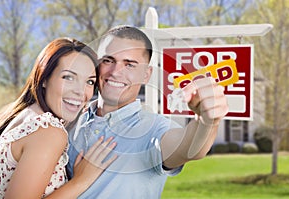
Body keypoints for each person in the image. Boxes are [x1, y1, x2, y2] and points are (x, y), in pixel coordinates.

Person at [67, 25, 229, 199]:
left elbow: (188, 148)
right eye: (108, 60)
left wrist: (206, 122)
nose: (115, 72)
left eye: (129, 64)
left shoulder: (154, 128)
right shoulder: (71, 120)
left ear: (146, 74)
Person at [0, 37, 117, 198]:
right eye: (68, 77)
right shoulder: (48, 132)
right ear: (44, 78)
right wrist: (81, 181)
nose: (80, 91)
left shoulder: (19, 114)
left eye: (89, 82)